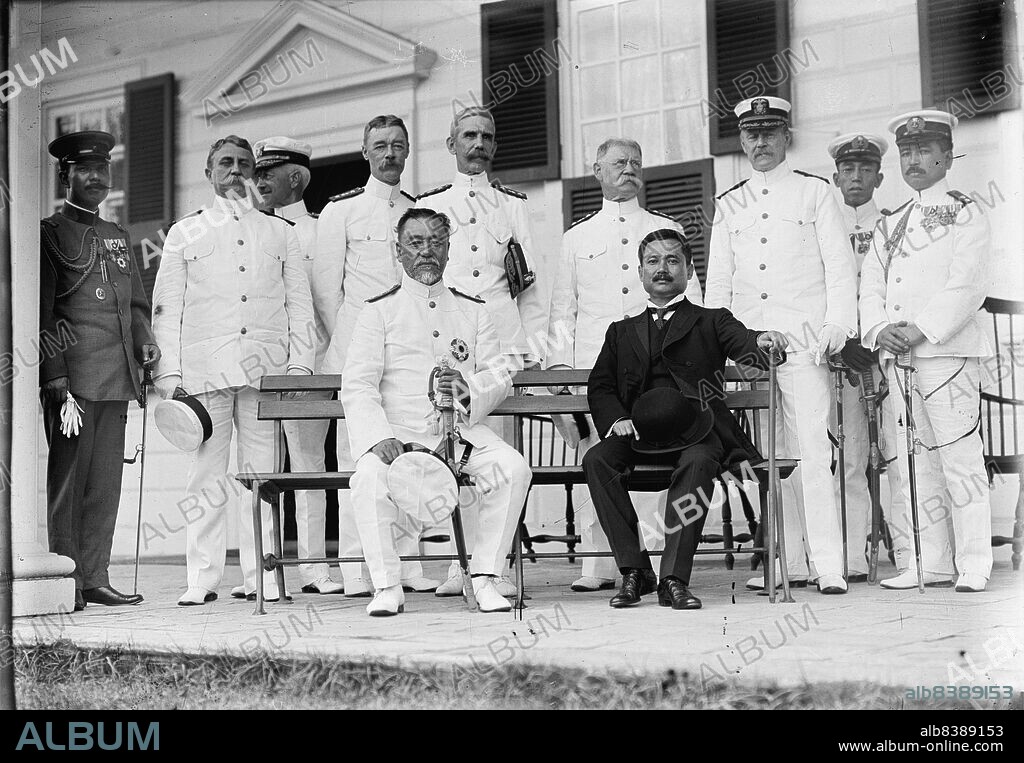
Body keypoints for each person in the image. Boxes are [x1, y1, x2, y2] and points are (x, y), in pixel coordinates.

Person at [340, 208, 532, 616]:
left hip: (462, 436)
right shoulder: (378, 311)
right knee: (368, 477)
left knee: (513, 468)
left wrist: (470, 390)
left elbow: (500, 375)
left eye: (436, 242)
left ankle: (483, 578)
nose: (426, 251)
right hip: (400, 436)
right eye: (415, 242)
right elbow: (357, 384)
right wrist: (378, 439)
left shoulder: (474, 309)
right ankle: (387, 585)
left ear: (448, 251)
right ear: (399, 251)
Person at [151, 135, 315, 606]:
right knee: (205, 477)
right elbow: (167, 308)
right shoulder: (185, 233)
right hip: (205, 372)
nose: (236, 170)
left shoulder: (280, 232)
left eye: (245, 163)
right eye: (226, 162)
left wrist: (299, 365)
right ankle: (201, 579)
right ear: (209, 172)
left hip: (265, 371)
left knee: (262, 476)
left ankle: (260, 575)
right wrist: (170, 375)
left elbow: (299, 305)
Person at [585, 228, 788, 609]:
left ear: (690, 270)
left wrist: (763, 341)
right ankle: (635, 571)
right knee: (597, 460)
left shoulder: (712, 320)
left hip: (698, 432)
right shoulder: (620, 331)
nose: (662, 269)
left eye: (672, 260)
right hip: (639, 435)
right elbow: (601, 386)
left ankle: (674, 579)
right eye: (653, 261)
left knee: (699, 462)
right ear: (641, 273)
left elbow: (747, 345)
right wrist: (617, 420)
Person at [705, 96, 858, 595]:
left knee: (814, 453)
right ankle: (788, 561)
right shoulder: (729, 204)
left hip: (805, 343)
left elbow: (839, 266)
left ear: (786, 136)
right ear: (742, 140)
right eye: (751, 134)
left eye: (770, 132)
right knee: (773, 459)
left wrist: (838, 324)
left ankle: (828, 564)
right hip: (751, 351)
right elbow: (719, 284)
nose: (761, 142)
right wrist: (720, 344)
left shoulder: (814, 193)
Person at [547, 137, 704, 592]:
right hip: (599, 369)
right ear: (597, 170)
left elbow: (689, 299)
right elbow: (563, 307)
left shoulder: (663, 226)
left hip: (658, 367)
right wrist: (559, 368)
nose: (629, 169)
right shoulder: (576, 237)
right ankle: (600, 565)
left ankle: (654, 558)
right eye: (619, 163)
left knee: (660, 454)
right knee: (598, 455)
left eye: (636, 162)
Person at [859, 110, 993, 593]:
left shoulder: (965, 211)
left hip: (947, 353)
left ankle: (974, 562)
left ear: (946, 156)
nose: (913, 160)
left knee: (959, 459)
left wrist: (920, 328)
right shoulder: (892, 222)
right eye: (907, 153)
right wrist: (879, 329)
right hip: (899, 358)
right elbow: (870, 286)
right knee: (910, 462)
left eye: (923, 150)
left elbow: (968, 285)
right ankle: (925, 561)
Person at [416, 106, 547, 596]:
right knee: (454, 448)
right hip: (453, 340)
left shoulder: (512, 205)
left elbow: (528, 284)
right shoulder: (433, 204)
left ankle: (499, 564)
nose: (478, 144)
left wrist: (532, 347)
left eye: (487, 137)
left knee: (501, 454)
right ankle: (458, 565)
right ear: (451, 144)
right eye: (468, 135)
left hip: (503, 345)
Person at [314, 115, 437, 596]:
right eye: (380, 146)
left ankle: (407, 566)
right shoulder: (341, 211)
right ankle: (353, 568)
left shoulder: (418, 210)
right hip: (357, 352)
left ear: (408, 152)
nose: (390, 155)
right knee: (358, 460)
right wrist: (350, 342)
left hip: (407, 350)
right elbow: (327, 291)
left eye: (398, 146)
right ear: (364, 152)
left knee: (410, 454)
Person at [40, 130, 160, 611]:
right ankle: (65, 579)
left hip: (116, 376)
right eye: (84, 169)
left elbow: (133, 305)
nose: (96, 177)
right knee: (70, 484)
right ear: (65, 175)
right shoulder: (49, 232)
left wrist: (145, 342)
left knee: (106, 483)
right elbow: (44, 309)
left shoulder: (117, 236)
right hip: (72, 380)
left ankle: (95, 577)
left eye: (103, 169)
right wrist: (53, 372)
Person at [253, 136, 343, 595]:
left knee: (309, 467)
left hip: (310, 366)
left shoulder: (321, 229)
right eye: (257, 172)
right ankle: (259, 571)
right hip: (258, 368)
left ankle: (314, 569)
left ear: (296, 177)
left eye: (269, 172)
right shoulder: (250, 231)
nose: (259, 180)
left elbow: (330, 304)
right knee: (257, 468)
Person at [825, 132, 906, 581]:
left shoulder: (894, 225)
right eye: (848, 169)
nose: (856, 176)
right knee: (852, 457)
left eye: (865, 169)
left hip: (885, 355)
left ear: (878, 175)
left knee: (895, 454)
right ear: (836, 177)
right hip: (843, 358)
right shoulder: (824, 223)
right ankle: (855, 556)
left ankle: (910, 550)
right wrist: (844, 341)